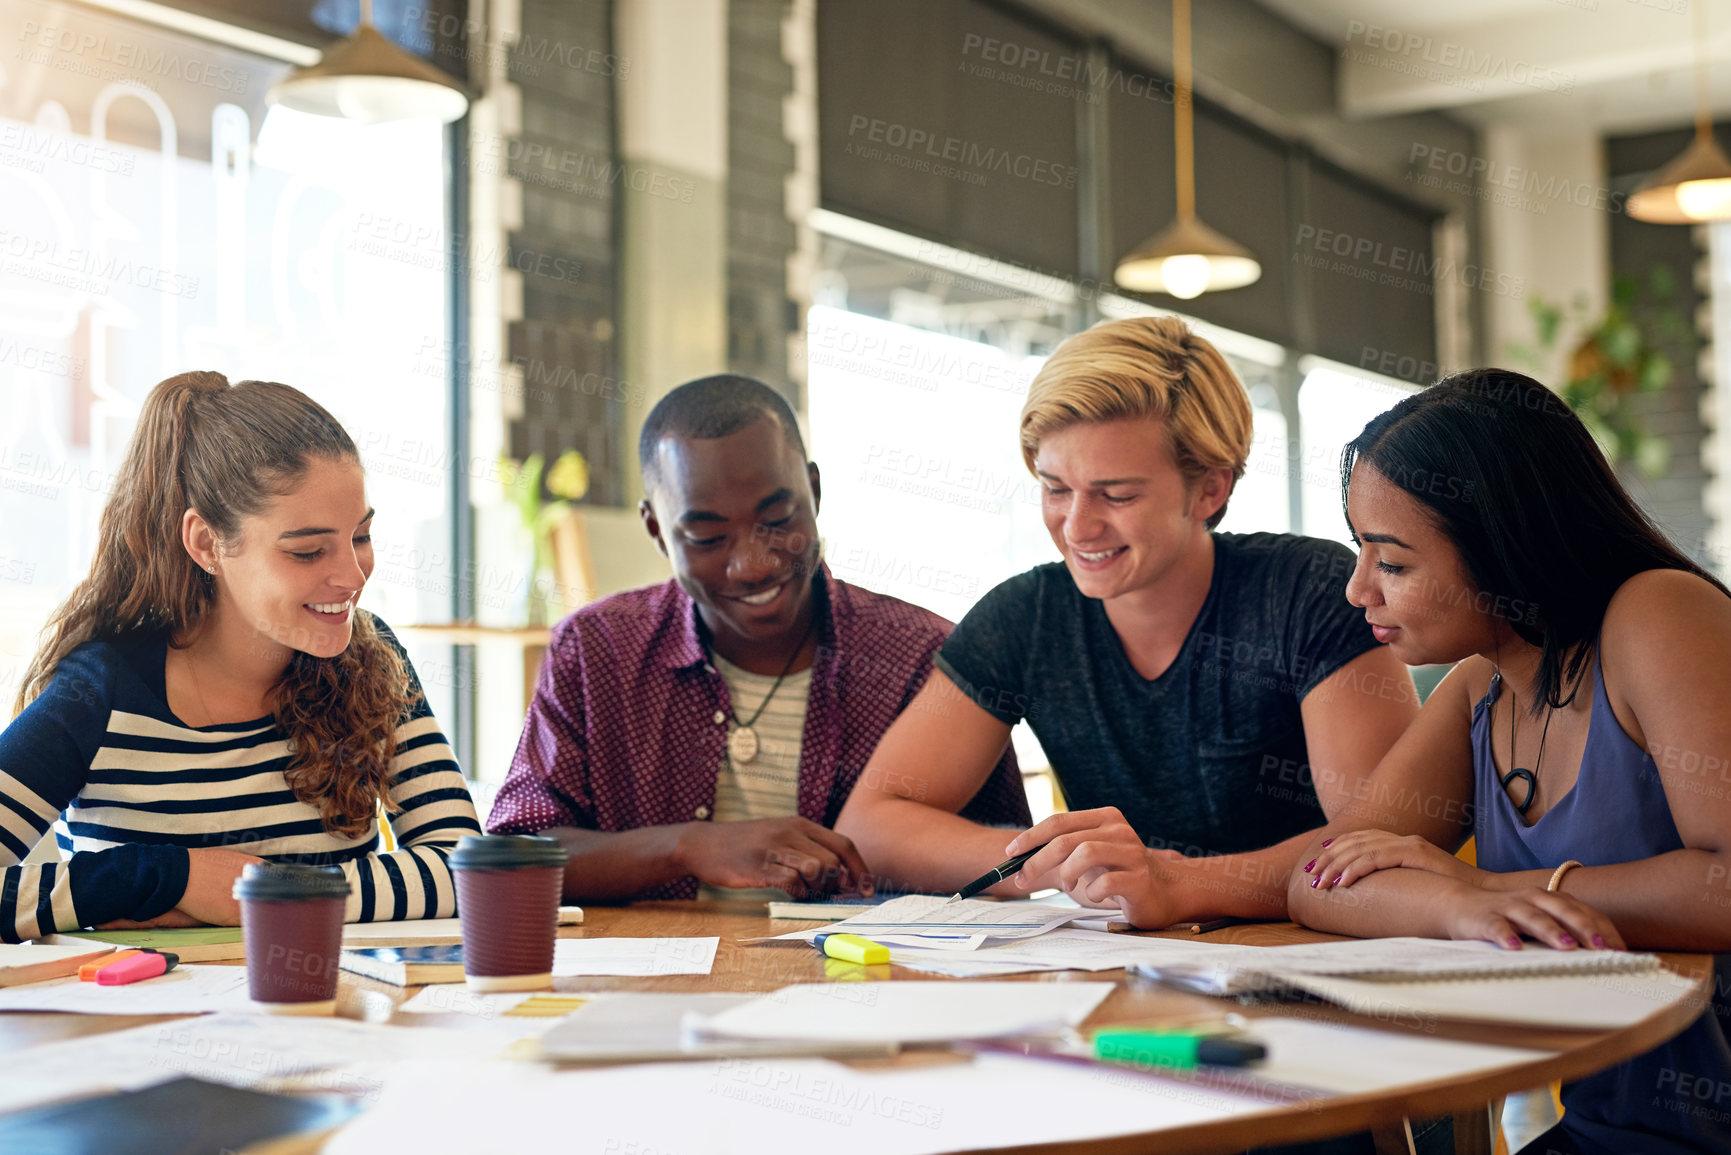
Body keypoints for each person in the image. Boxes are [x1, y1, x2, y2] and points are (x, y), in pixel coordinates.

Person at [836, 316, 1421, 927]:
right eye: (1055, 488)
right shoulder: (1025, 618)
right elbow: (872, 827)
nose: (1078, 527)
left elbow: (1377, 844)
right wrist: (1061, 860)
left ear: (1210, 490)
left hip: (1311, 960)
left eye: (1116, 496)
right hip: (1128, 967)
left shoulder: (1308, 590)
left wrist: (1177, 883)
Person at [1289, 369, 1731, 1154]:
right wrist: (1457, 910)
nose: (1359, 590)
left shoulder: (1656, 613)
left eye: (1391, 563)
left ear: (1501, 544)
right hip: (1611, 1129)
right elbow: (1320, 876)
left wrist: (1487, 883)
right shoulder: (1477, 689)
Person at [486, 374, 1028, 902]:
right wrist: (684, 847)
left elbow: (1003, 870)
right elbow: (514, 859)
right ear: (655, 529)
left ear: (813, 491)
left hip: (868, 981)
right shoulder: (596, 650)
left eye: (777, 519)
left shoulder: (923, 656)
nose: (751, 564)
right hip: (649, 986)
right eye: (707, 537)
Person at [0, 371, 482, 942]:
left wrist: (268, 896)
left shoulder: (372, 656)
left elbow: (467, 869)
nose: (352, 577)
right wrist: (171, 878)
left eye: (360, 537)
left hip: (328, 1019)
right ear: (207, 544)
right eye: (307, 551)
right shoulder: (100, 690)